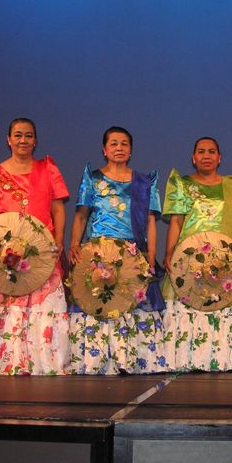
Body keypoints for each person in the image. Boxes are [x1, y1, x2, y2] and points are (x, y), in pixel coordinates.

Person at [0, 118, 70, 375]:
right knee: (3, 305)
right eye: (18, 135)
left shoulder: (47, 169)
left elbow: (58, 208)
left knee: (43, 305)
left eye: (28, 135)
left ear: (35, 140)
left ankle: (41, 361)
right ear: (8, 139)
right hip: (3, 253)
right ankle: (1, 358)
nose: (23, 140)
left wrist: (59, 239)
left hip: (41, 251)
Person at [161, 137, 232, 371]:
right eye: (201, 151)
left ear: (219, 157)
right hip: (190, 259)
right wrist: (169, 252)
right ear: (193, 157)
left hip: (226, 259)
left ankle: (230, 359)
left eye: (211, 151)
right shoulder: (181, 183)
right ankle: (188, 359)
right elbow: (176, 221)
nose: (206, 156)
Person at [67, 126, 167, 374]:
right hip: (98, 254)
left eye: (124, 144)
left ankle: (132, 360)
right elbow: (81, 215)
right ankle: (96, 361)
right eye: (113, 143)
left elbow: (151, 221)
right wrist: (75, 245)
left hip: (133, 254)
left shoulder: (144, 182)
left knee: (132, 305)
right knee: (99, 300)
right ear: (104, 149)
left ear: (131, 150)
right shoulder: (93, 178)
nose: (119, 148)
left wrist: (151, 254)